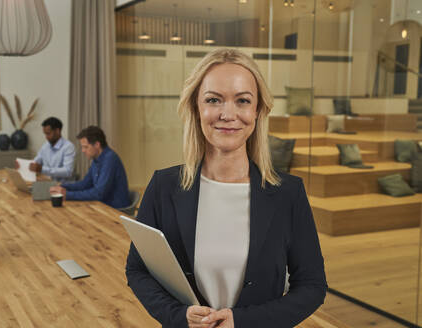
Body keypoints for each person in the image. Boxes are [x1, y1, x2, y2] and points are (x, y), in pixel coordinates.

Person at [125, 48, 327, 328]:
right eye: (213, 100)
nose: (228, 114)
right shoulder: (163, 186)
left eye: (243, 100)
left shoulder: (288, 193)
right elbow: (137, 270)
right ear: (196, 108)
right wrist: (178, 315)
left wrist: (243, 322)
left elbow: (312, 286)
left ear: (257, 111)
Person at [49, 125, 130, 209]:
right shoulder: (96, 159)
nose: (83, 150)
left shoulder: (110, 159)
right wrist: (63, 186)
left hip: (115, 210)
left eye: (86, 147)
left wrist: (68, 195)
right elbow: (85, 184)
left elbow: (99, 194)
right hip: (102, 205)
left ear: (97, 145)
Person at [17, 117, 75, 182]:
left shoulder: (68, 147)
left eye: (48, 133)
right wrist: (23, 166)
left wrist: (42, 169)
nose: (46, 137)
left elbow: (67, 171)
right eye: (45, 134)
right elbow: (35, 162)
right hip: (46, 183)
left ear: (57, 131)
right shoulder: (45, 146)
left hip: (62, 187)